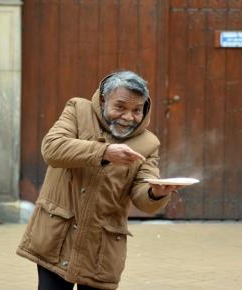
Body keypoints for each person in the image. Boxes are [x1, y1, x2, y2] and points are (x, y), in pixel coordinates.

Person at [16, 71, 181, 290]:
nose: (128, 117)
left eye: (136, 110)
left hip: (101, 248)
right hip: (57, 236)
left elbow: (142, 195)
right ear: (103, 100)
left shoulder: (148, 143)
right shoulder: (78, 110)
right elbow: (52, 149)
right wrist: (104, 152)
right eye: (120, 107)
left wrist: (156, 193)